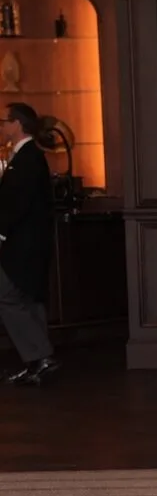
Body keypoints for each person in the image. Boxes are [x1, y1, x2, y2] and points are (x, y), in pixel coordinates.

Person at [0, 102, 58, 386]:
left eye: (4, 121)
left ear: (17, 124)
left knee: (8, 296)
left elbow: (16, 203)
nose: (1, 126)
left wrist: (1, 233)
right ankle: (37, 362)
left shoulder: (28, 158)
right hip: (28, 245)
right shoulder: (26, 156)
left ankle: (41, 355)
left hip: (22, 245)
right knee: (28, 299)